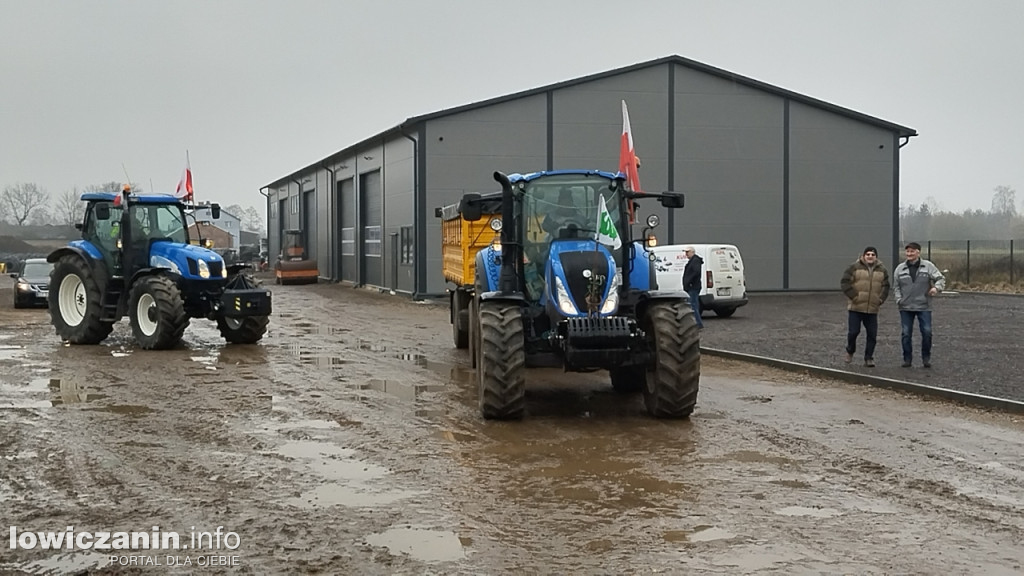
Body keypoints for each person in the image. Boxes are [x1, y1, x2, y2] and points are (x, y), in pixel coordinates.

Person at [893, 242, 945, 368]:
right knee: (906, 333)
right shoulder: (900, 269)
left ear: (918, 252)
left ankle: (926, 358)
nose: (909, 254)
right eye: (907, 251)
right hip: (905, 306)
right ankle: (907, 359)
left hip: (924, 306)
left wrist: (936, 289)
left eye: (912, 251)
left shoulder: (928, 266)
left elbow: (940, 278)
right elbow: (896, 286)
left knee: (927, 332)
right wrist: (899, 299)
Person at [840, 246, 890, 367]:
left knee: (872, 335)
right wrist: (855, 297)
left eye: (872, 254)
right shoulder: (854, 267)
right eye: (868, 254)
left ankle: (869, 357)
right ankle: (850, 350)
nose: (870, 256)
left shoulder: (882, 270)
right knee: (853, 332)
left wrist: (880, 299)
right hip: (856, 308)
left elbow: (886, 286)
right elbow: (845, 282)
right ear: (863, 256)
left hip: (872, 309)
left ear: (876, 257)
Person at [681, 246, 705, 329]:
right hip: (692, 286)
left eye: (687, 252)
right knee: (693, 305)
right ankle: (696, 323)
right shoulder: (693, 261)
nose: (686, 254)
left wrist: (689, 282)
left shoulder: (695, 261)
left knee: (693, 305)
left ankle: (697, 324)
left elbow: (696, 272)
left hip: (693, 287)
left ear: (692, 252)